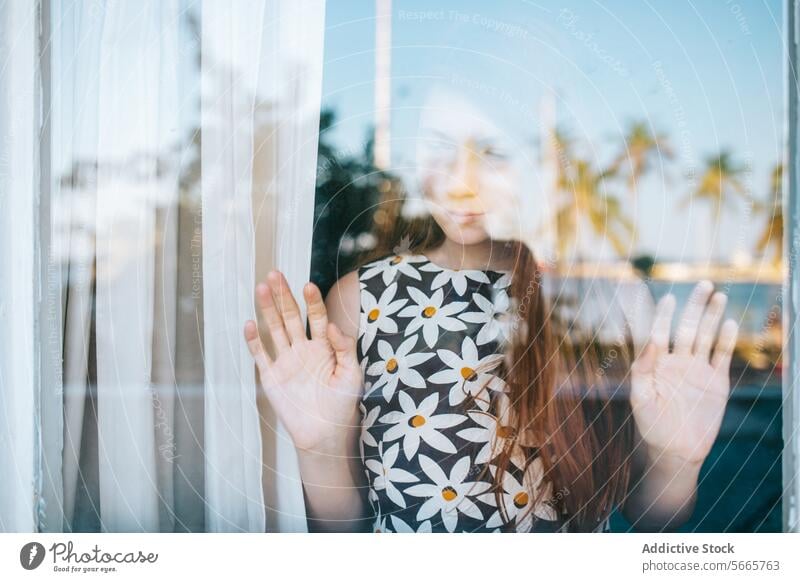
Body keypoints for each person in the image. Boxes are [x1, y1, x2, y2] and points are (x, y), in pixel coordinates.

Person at [242, 88, 739, 533]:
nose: (462, 183)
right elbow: (346, 527)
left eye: (494, 153)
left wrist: (675, 458)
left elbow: (653, 517)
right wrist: (320, 448)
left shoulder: (609, 298)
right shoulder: (362, 299)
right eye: (438, 148)